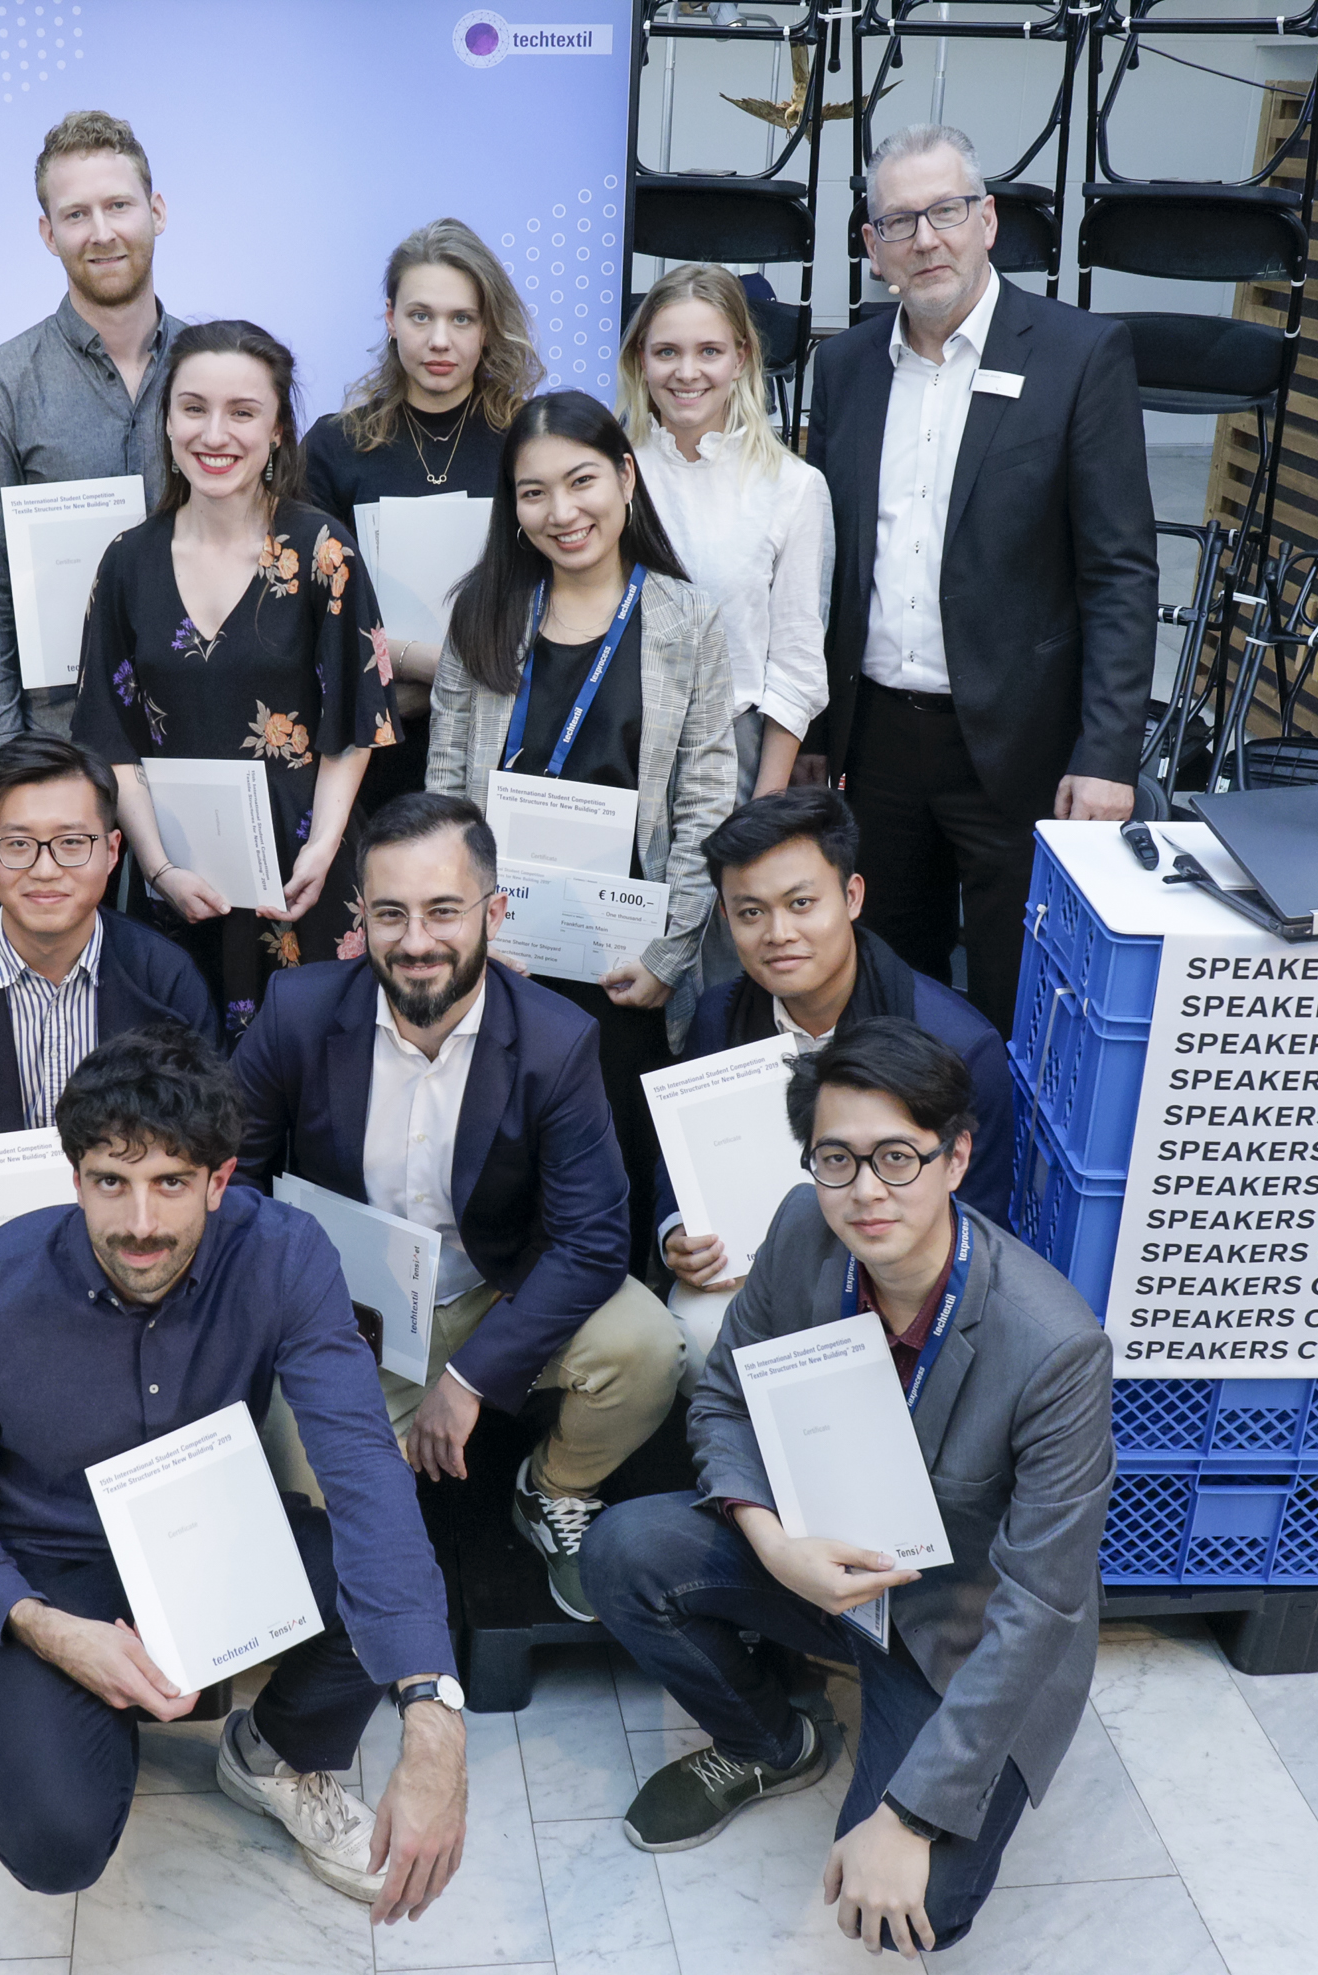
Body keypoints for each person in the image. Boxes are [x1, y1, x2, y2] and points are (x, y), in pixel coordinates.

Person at [0, 1024, 469, 1911]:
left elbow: (360, 1462)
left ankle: (272, 1755)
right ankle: (89, 1722)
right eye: (110, 1182)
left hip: (217, 1533)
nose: (140, 1224)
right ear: (74, 1176)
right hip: (58, 1568)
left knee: (385, 1576)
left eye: (170, 1183)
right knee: (53, 1846)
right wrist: (44, 1627)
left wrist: (433, 1720)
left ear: (219, 1180)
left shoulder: (284, 1252)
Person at [580, 1019, 1114, 1956]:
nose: (865, 1190)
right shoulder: (801, 1229)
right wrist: (773, 1543)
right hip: (816, 1556)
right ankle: (770, 1742)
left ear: (955, 1158)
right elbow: (723, 1397)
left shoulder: (1054, 1347)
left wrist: (908, 1817)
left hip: (953, 1630)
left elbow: (1041, 1607)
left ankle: (901, 1758)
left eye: (897, 1157)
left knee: (917, 1904)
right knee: (622, 1551)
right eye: (837, 1158)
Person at [232, 793, 684, 1620]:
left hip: (492, 1293)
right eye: (390, 913)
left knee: (648, 1346)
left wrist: (471, 1378)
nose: (416, 941)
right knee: (311, 1516)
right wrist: (300, 1310)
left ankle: (552, 1486)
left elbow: (592, 1240)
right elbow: (230, 1182)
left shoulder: (554, 1040)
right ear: (361, 915)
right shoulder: (296, 1012)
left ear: (493, 914)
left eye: (443, 911)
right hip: (348, 1312)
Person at [810, 124, 1156, 1030]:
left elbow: (1119, 572)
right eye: (898, 221)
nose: (925, 238)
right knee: (887, 997)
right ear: (871, 246)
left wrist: (1106, 755)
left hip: (1020, 747)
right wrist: (815, 730)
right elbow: (826, 563)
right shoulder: (841, 368)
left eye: (946, 211)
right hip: (876, 748)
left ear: (988, 221)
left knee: (1020, 999)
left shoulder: (1079, 355)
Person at [426, 389, 735, 1238]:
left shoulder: (686, 620)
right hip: (506, 951)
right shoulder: (484, 613)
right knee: (504, 1180)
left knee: (609, 1187)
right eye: (533, 492)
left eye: (580, 481)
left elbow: (707, 800)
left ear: (625, 477)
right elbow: (445, 792)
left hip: (624, 964)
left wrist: (669, 953)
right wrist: (468, 938)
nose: (560, 512)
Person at [72, 319, 395, 1037]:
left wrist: (321, 851)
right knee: (175, 1077)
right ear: (166, 420)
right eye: (193, 408)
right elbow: (108, 739)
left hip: (302, 878)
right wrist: (158, 868)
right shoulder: (126, 561)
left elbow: (356, 720)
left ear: (277, 429)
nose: (214, 434)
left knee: (312, 1071)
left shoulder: (323, 549)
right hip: (174, 882)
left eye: (242, 412)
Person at [654, 790, 1016, 1363]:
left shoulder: (957, 1045)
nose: (778, 933)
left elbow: (982, 1221)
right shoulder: (719, 1016)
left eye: (801, 903)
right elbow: (680, 1156)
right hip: (756, 1272)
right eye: (751, 913)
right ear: (724, 917)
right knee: (693, 1332)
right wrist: (677, 1228)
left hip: (900, 1285)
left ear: (852, 897)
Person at [0, 734, 218, 1272]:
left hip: (138, 1243)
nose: (44, 869)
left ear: (112, 851)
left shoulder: (166, 982)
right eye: (18, 844)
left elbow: (200, 1143)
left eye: (71, 842)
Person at [0, 110, 185, 753]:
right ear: (48, 233)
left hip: (211, 723)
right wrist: (8, 763)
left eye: (119, 206)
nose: (102, 232)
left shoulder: (217, 369)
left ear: (157, 211)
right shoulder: (1, 383)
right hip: (68, 741)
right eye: (76, 214)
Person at [303, 220, 544, 816]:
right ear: (390, 319)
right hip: (367, 756)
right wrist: (430, 664)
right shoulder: (334, 446)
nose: (440, 340)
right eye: (420, 316)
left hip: (505, 744)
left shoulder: (531, 440)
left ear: (487, 327)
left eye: (462, 318)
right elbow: (307, 610)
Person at [618, 264, 832, 806]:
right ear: (641, 358)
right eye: (667, 351)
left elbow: (796, 668)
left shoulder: (793, 487)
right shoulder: (605, 474)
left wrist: (764, 806)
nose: (687, 372)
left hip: (729, 752)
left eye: (709, 351)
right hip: (609, 742)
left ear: (740, 358)